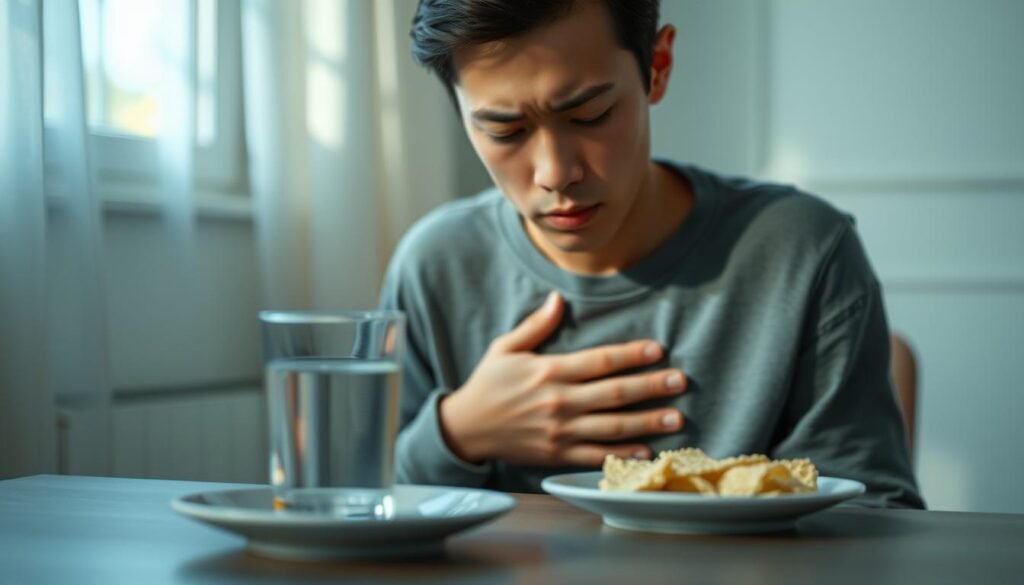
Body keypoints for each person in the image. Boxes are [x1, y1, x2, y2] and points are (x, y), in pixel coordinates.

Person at [379, 0, 924, 508]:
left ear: (658, 66)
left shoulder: (800, 252)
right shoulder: (436, 265)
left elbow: (872, 518)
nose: (555, 174)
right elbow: (372, 505)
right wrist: (458, 432)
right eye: (505, 129)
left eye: (590, 115)